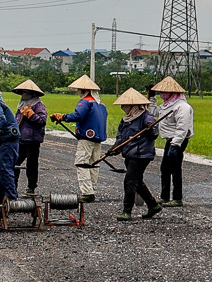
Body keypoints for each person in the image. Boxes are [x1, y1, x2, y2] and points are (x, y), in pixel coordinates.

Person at [49, 75, 107, 203]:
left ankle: (87, 192)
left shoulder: (85, 101)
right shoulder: (101, 104)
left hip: (86, 138)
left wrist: (62, 117)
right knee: (93, 164)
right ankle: (92, 189)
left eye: (79, 90)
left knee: (82, 163)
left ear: (84, 90)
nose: (78, 92)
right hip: (98, 139)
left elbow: (78, 115)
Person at [112, 88, 161, 220]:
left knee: (129, 181)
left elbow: (154, 135)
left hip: (141, 155)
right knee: (137, 181)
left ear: (133, 105)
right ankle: (153, 205)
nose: (123, 107)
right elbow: (120, 136)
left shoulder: (147, 117)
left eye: (125, 105)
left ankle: (127, 211)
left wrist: (150, 129)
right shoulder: (126, 119)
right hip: (129, 154)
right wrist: (115, 148)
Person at [149, 76, 193, 207]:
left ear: (173, 92)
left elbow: (182, 127)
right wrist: (151, 98)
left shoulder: (182, 107)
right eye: (160, 92)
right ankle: (165, 196)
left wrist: (176, 144)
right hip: (170, 140)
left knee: (175, 168)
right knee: (165, 168)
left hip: (178, 140)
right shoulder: (167, 105)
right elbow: (153, 113)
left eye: (164, 92)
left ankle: (177, 198)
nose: (161, 94)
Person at [12, 79, 47, 195]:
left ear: (32, 94)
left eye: (25, 93)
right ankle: (13, 186)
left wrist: (31, 115)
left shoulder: (38, 106)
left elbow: (42, 121)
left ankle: (31, 187)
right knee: (15, 163)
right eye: (23, 92)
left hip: (33, 140)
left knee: (31, 165)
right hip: (21, 139)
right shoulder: (21, 105)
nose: (23, 95)